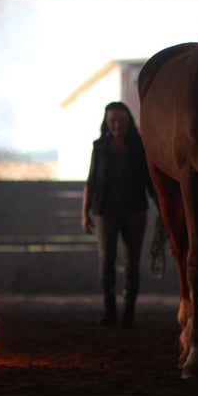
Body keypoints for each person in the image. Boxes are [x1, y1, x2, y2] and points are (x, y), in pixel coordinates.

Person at [81, 101, 157, 329]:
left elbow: (149, 182)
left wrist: (164, 209)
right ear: (107, 122)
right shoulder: (100, 147)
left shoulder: (139, 146)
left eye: (121, 120)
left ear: (128, 121)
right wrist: (84, 213)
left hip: (134, 209)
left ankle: (129, 312)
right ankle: (110, 310)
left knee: (132, 261)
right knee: (107, 260)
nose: (117, 125)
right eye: (113, 120)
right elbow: (91, 181)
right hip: (105, 211)